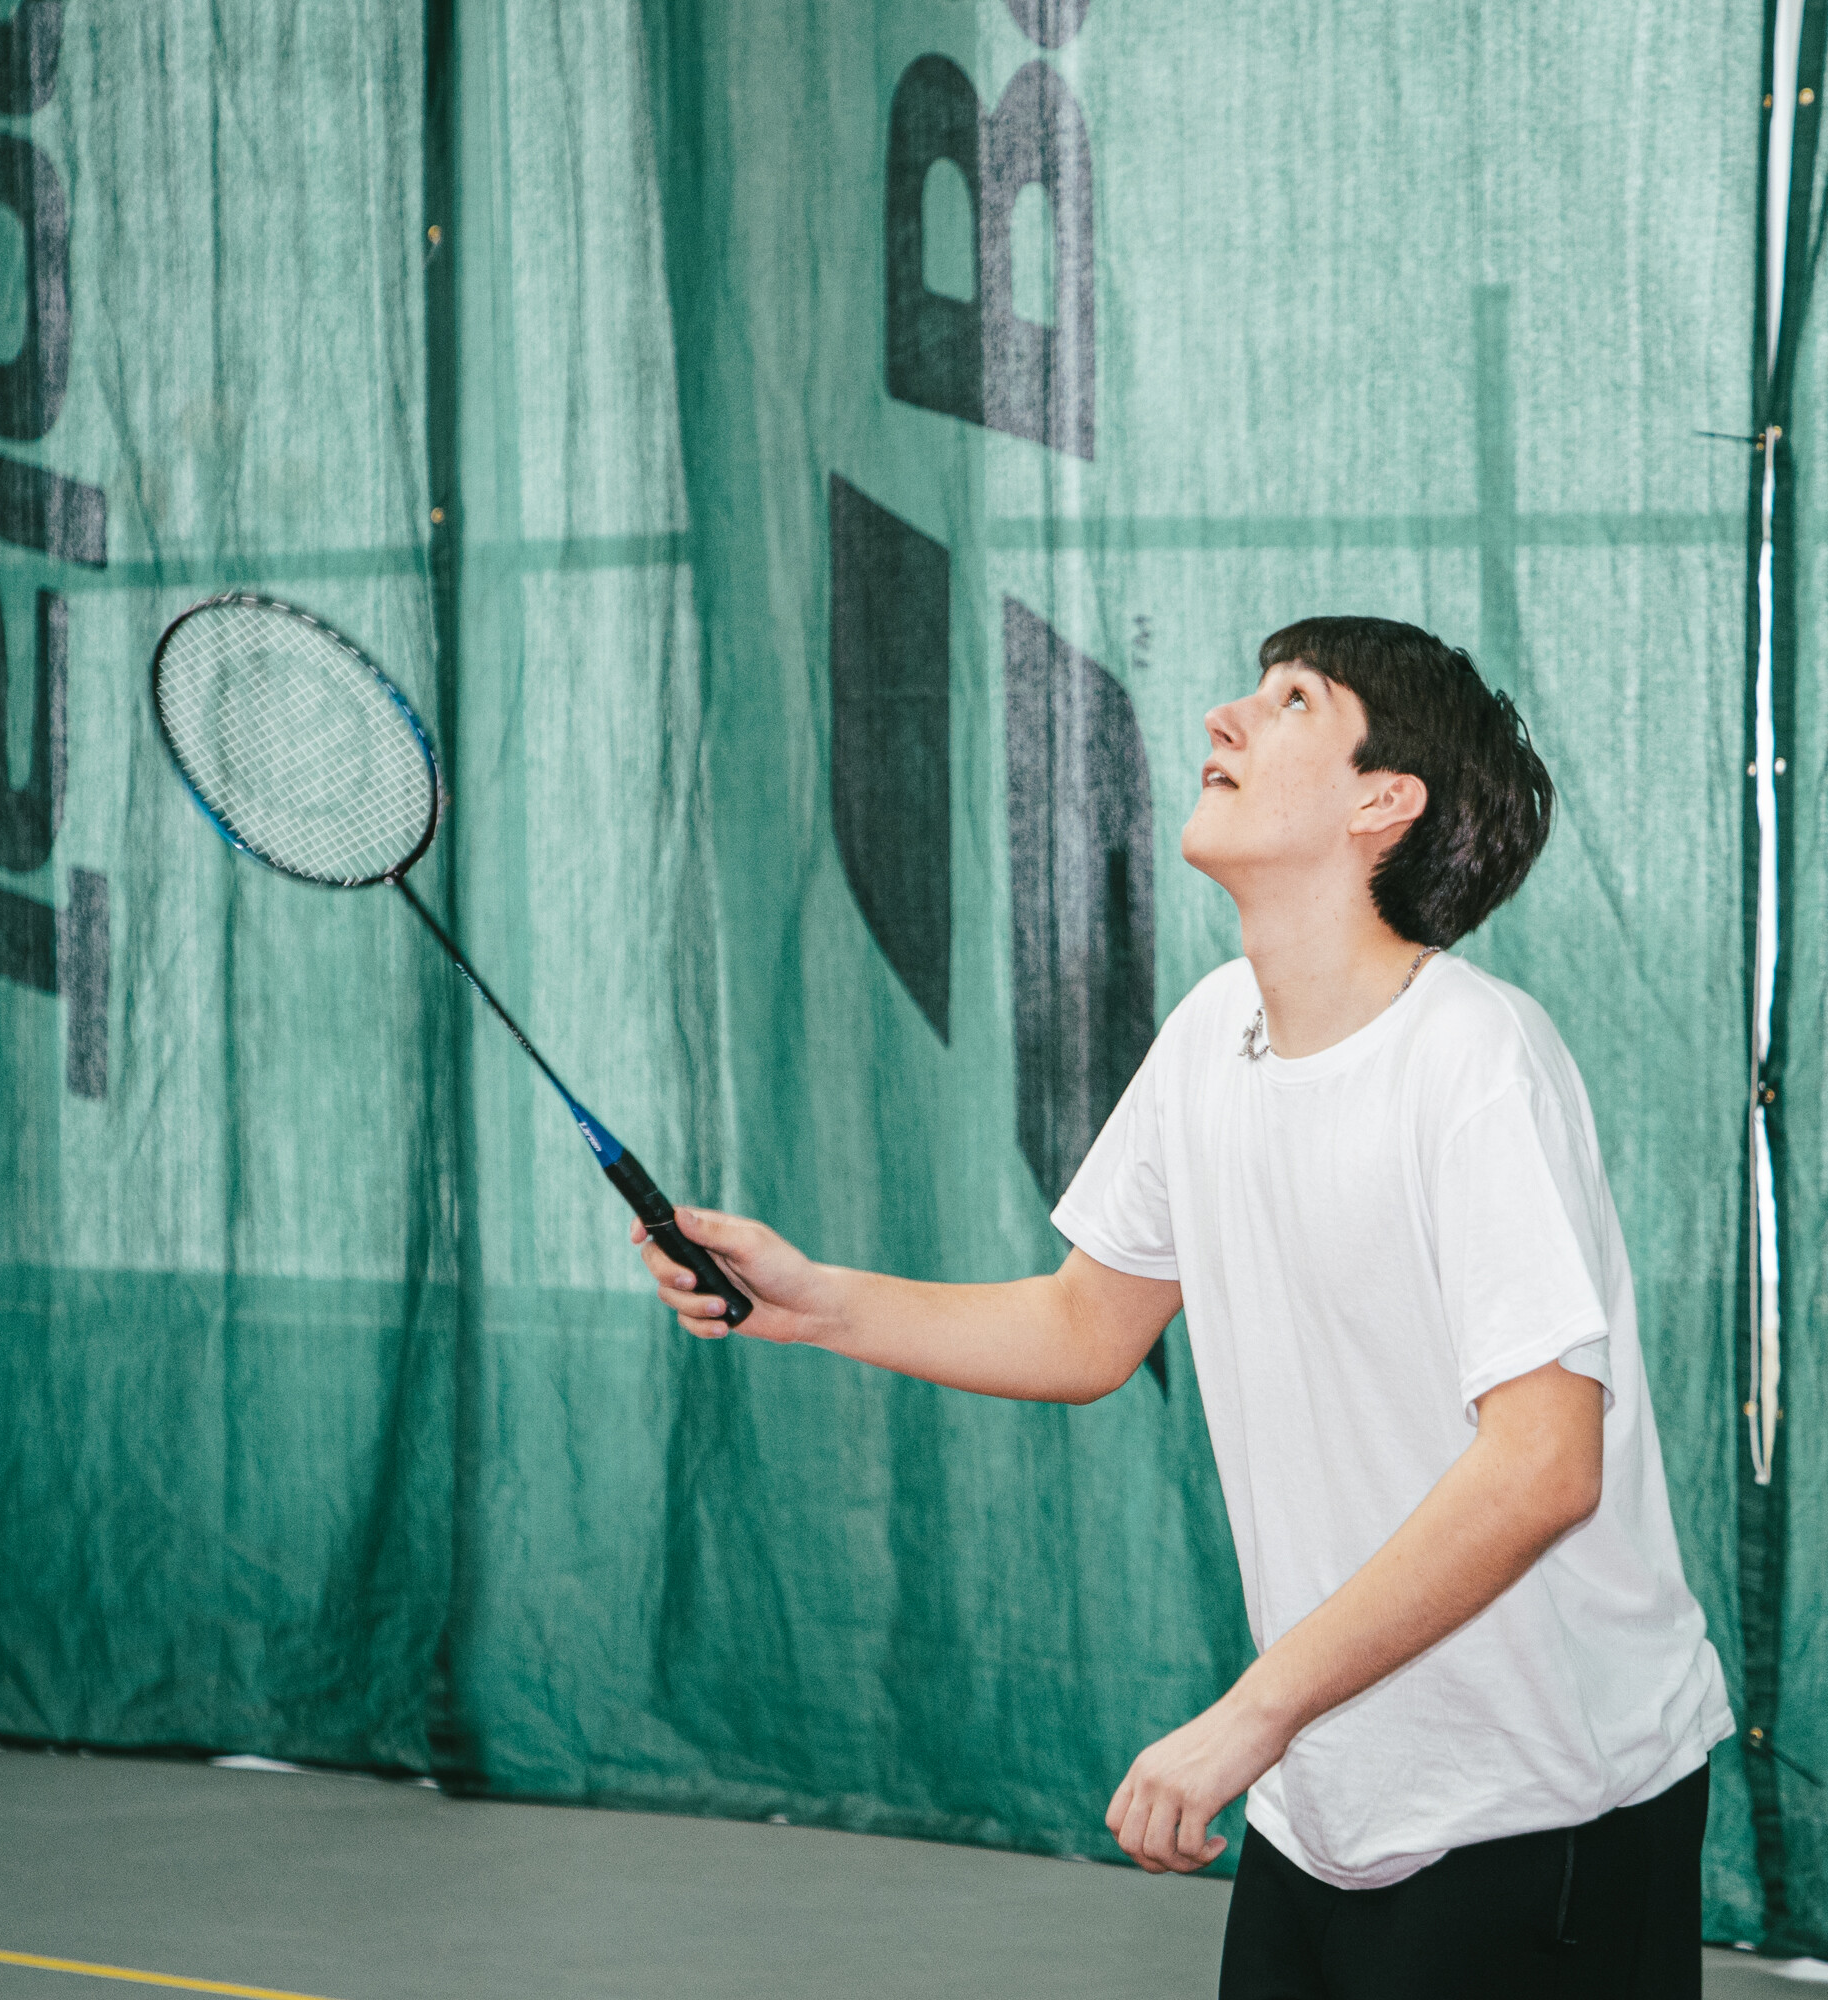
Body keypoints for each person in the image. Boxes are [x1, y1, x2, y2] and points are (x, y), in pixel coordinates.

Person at [632, 616, 1733, 1997]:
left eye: (1292, 701)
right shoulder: (1217, 1031)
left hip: (1547, 1810)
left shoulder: (1475, 1059)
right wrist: (816, 1303)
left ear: (1384, 802)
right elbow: (1087, 1328)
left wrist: (1250, 1714)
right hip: (1321, 1799)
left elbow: (1543, 1465)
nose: (1224, 717)